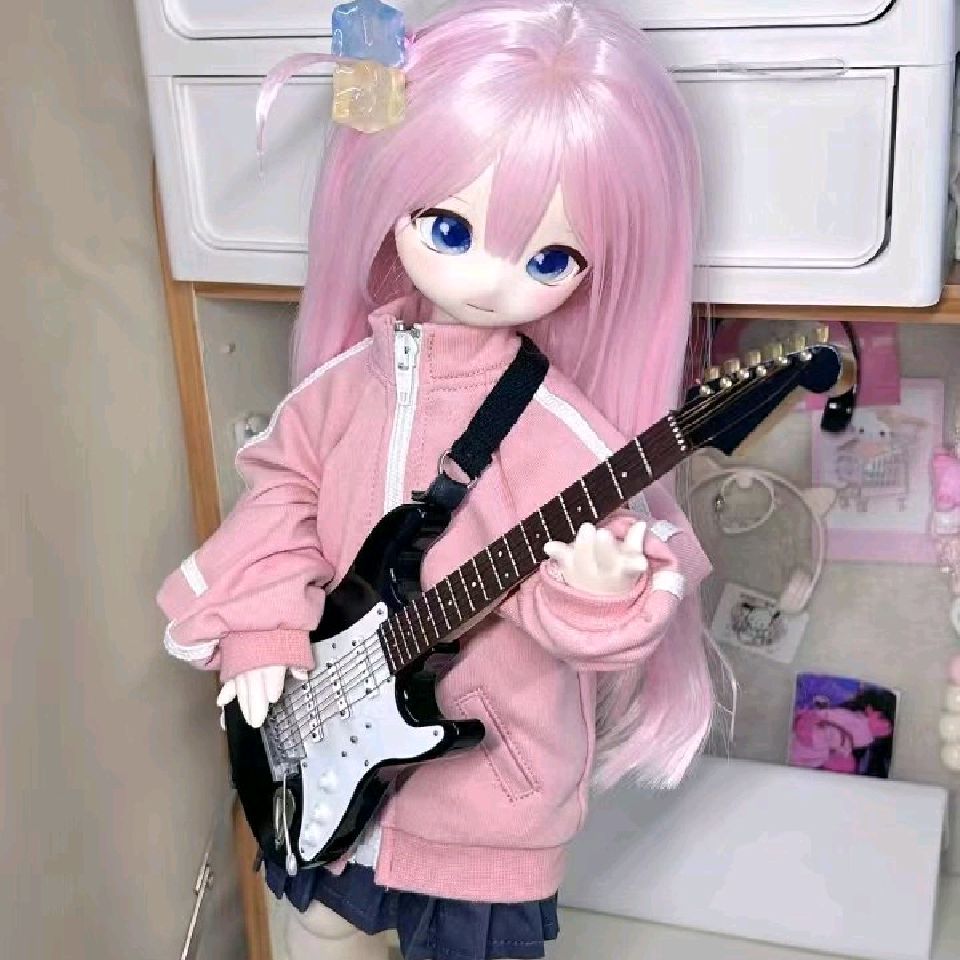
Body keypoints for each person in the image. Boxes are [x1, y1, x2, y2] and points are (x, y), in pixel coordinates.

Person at [156, 2, 714, 957]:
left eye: (548, 257)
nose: (492, 281)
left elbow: (599, 602)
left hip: (485, 808)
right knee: (315, 929)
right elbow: (280, 496)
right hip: (325, 761)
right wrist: (261, 624)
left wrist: (596, 589)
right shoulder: (343, 387)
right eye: (449, 228)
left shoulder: (566, 436)